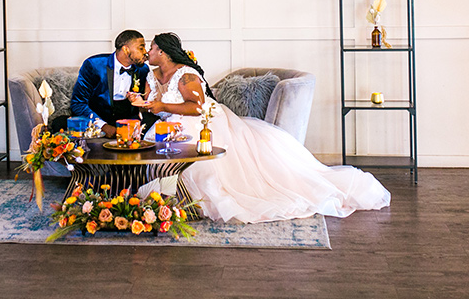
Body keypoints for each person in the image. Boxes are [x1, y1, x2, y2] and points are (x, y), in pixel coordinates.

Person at [135, 32, 391, 223]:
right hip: (167, 124)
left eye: (153, 48)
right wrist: (141, 102)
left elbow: (198, 107)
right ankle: (166, 197)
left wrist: (162, 107)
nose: (148, 51)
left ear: (164, 53)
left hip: (202, 121)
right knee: (153, 145)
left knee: (205, 163)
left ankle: (190, 200)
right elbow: (150, 101)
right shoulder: (152, 74)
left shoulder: (186, 75)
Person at [65, 30, 159, 137]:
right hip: (98, 118)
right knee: (60, 124)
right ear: (126, 49)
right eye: (141, 48)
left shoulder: (142, 70)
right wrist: (103, 126)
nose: (145, 52)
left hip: (127, 122)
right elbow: (78, 103)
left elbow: (142, 105)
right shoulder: (94, 65)